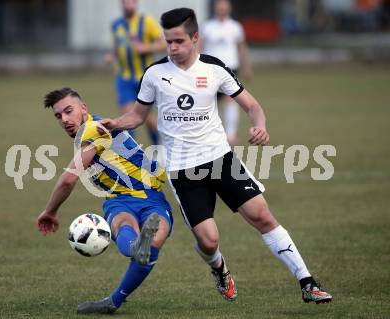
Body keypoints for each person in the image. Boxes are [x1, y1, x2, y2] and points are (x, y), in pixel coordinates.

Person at [99, 8, 332, 304]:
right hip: (183, 171)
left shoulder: (214, 68)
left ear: (195, 38)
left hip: (221, 159)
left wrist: (259, 125)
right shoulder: (155, 74)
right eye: (168, 41)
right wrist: (115, 123)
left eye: (179, 41)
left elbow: (252, 106)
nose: (172, 48)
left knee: (261, 215)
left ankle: (307, 282)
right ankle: (219, 268)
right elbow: (137, 115)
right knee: (209, 242)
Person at [37, 87, 173, 314]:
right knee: (133, 230)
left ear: (84, 109)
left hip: (147, 196)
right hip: (126, 198)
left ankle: (115, 297)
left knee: (145, 240)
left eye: (69, 111)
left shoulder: (91, 129)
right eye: (58, 116)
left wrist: (50, 211)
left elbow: (67, 180)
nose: (64, 120)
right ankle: (134, 249)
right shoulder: (92, 128)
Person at [105, 0, 166, 145]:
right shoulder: (116, 25)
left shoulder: (147, 22)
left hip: (144, 79)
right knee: (127, 118)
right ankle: (134, 158)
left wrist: (145, 48)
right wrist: (111, 56)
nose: (128, 4)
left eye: (131, 1)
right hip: (124, 78)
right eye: (125, 1)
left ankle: (159, 149)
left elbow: (163, 44)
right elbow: (117, 47)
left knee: (148, 120)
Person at [199, 0, 253, 146]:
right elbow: (199, 46)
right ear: (216, 9)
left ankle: (230, 135)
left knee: (231, 99)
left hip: (230, 68)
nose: (222, 9)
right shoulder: (207, 26)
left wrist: (246, 67)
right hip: (209, 69)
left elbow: (241, 48)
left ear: (228, 9)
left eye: (224, 7)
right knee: (210, 102)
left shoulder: (235, 27)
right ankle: (210, 134)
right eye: (219, 7)